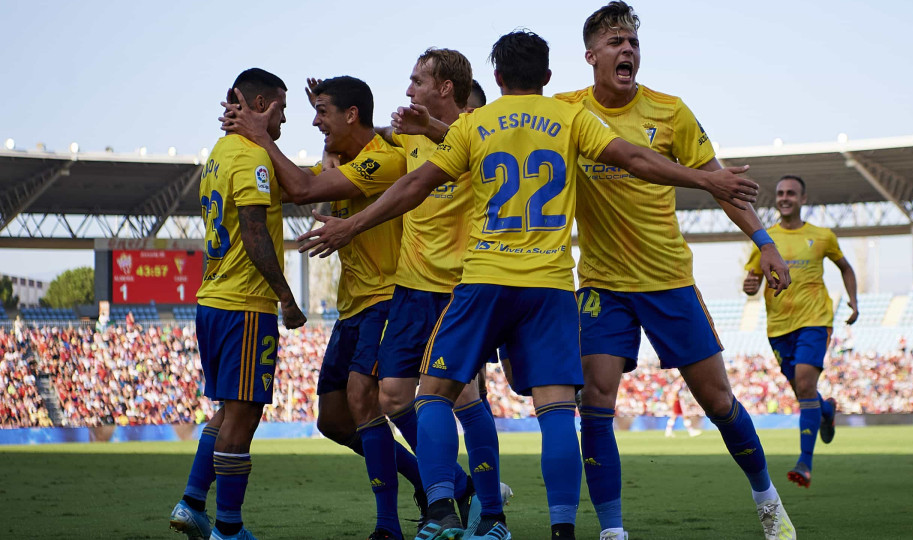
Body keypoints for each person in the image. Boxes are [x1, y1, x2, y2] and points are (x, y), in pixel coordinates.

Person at [298, 30, 761, 540]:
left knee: (431, 396)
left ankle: (444, 512)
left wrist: (350, 225)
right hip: (549, 286)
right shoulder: (570, 118)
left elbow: (413, 185)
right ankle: (561, 528)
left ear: (496, 79)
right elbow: (636, 159)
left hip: (483, 281)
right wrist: (707, 179)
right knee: (557, 408)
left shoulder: (477, 124)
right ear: (546, 77)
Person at [553, 3, 795, 539]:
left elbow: (724, 186)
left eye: (634, 42)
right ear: (591, 55)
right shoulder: (565, 111)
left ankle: (767, 498)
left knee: (718, 401)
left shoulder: (672, 111)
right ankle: (613, 530)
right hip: (602, 284)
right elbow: (503, 133)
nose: (628, 50)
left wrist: (765, 243)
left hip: (668, 280)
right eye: (616, 41)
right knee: (595, 400)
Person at [221, 76, 413, 540]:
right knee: (331, 419)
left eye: (322, 111)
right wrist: (252, 147)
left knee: (365, 400)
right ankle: (443, 485)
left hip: (385, 298)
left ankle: (393, 521)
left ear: (352, 115)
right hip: (352, 306)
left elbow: (304, 190)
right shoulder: (344, 161)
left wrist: (261, 133)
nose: (313, 120)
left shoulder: (383, 160)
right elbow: (288, 186)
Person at [169, 67, 306, 540]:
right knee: (243, 416)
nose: (286, 119)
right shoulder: (251, 156)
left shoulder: (219, 153)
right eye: (282, 109)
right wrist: (286, 297)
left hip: (213, 300)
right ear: (263, 104)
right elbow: (253, 232)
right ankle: (228, 529)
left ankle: (191, 502)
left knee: (228, 411)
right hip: (245, 305)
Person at [375, 49, 506, 537]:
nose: (408, 90)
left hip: (459, 288)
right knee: (392, 397)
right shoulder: (408, 135)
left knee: (464, 396)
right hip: (411, 288)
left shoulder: (477, 133)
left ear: (444, 87)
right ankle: (455, 484)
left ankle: (484, 513)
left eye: (416, 81)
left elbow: (460, 144)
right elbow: (373, 141)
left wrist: (427, 126)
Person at [743, 174, 857, 488]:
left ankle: (804, 465)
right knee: (803, 392)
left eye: (791, 193)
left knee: (806, 382)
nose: (784, 197)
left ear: (803, 199)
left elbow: (846, 267)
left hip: (815, 319)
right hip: (779, 326)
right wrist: (749, 286)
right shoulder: (763, 238)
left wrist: (853, 300)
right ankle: (825, 409)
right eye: (780, 193)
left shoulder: (822, 236)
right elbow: (752, 280)